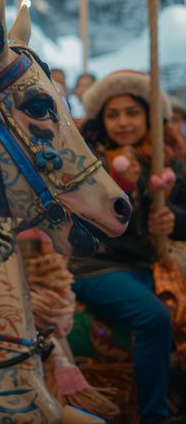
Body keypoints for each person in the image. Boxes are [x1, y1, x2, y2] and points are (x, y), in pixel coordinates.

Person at [76, 70, 186, 424]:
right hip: (99, 266)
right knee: (153, 316)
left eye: (132, 112)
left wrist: (172, 219)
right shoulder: (88, 166)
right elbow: (92, 224)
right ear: (101, 120)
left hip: (149, 265)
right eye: (113, 114)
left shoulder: (167, 160)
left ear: (148, 116)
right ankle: (153, 416)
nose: (123, 122)